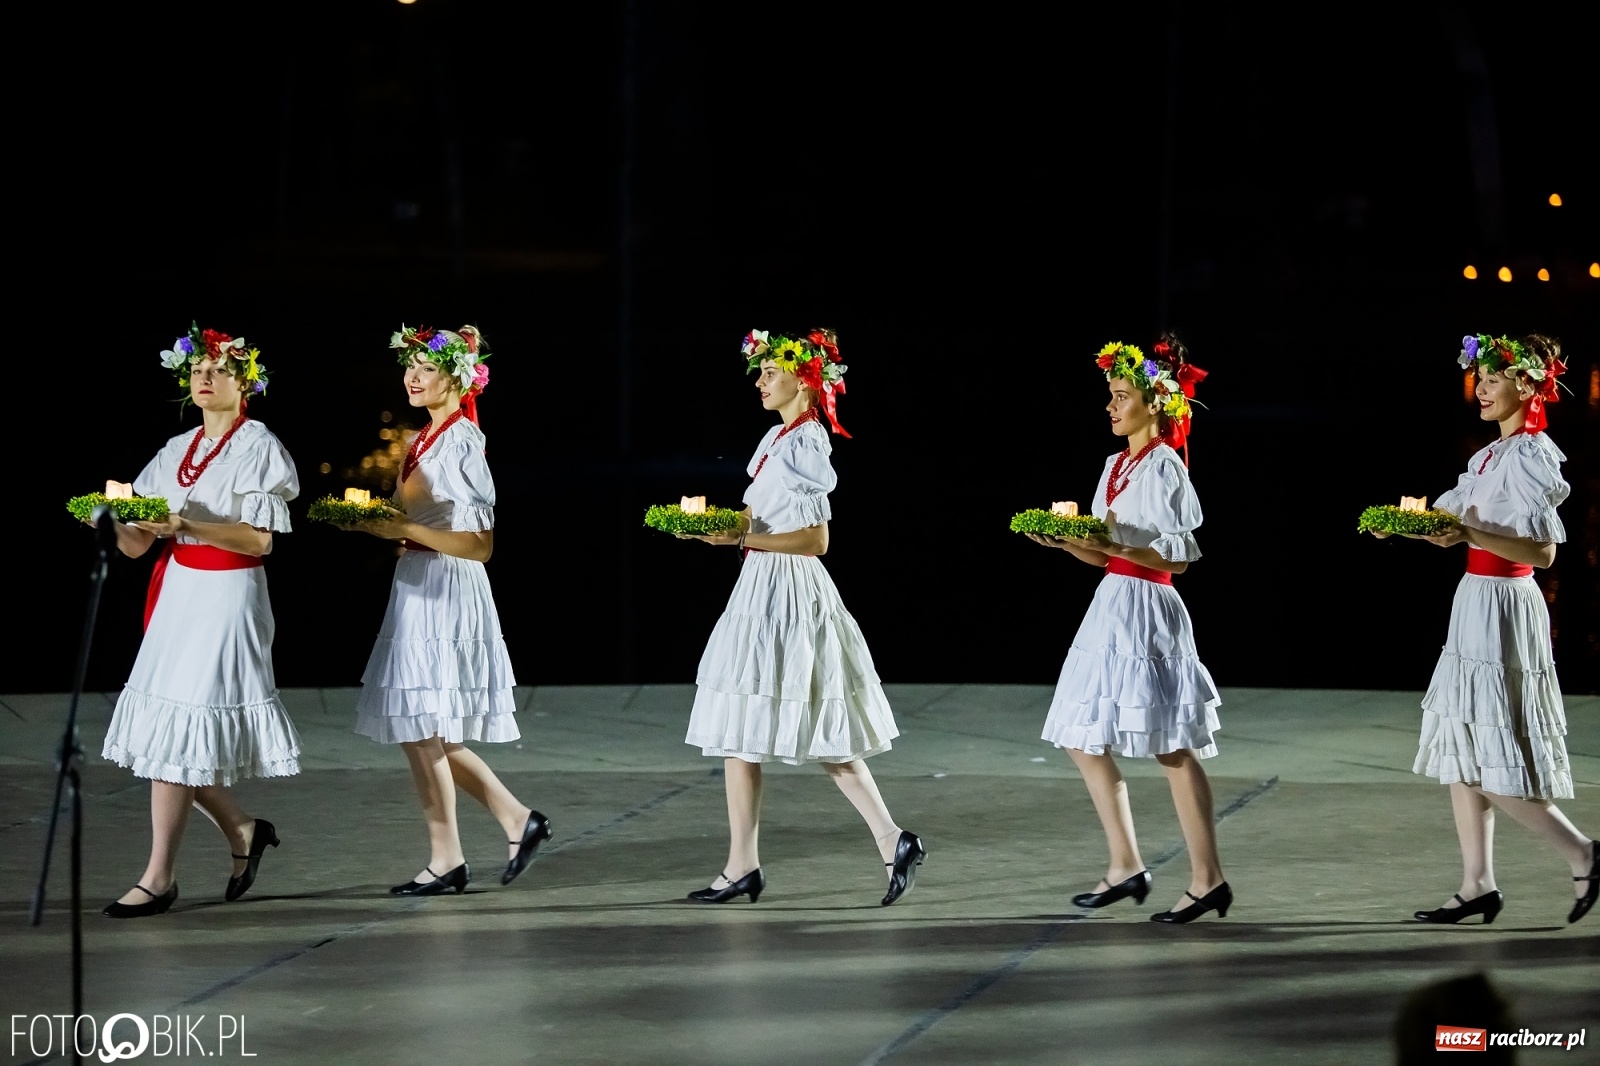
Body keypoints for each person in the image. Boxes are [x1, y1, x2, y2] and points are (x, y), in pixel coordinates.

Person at [678, 329, 924, 906]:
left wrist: (746, 533)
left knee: (814, 726)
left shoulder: (808, 441)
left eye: (769, 372)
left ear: (803, 379)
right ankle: (745, 864)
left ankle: (890, 838)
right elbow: (758, 513)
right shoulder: (775, 437)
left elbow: (816, 538)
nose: (760, 382)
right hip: (760, 582)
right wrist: (722, 527)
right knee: (741, 727)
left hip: (789, 592)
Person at [1026, 334, 1229, 923]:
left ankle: (1207, 878)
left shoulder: (1165, 464)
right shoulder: (1115, 465)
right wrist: (1067, 541)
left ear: (1156, 404)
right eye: (1110, 396)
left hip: (1149, 608)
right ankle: (1126, 864)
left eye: (1121, 396)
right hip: (1112, 601)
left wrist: (1110, 544)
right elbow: (1104, 552)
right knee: (1079, 733)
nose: (1111, 406)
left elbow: (1178, 559)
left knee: (1170, 745)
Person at [1395, 333, 1596, 926]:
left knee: (1488, 755)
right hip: (1475, 600)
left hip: (1506, 603)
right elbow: (1452, 520)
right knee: (1462, 748)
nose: (1480, 389)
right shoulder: (1491, 455)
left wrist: (1469, 537)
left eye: (1492, 379)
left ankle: (1585, 852)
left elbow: (1544, 551)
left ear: (1527, 386)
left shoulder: (1532, 453)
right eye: (1478, 379)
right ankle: (1476, 884)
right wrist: (1405, 525)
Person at [99, 325, 299, 918]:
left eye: (217, 370)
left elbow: (259, 540)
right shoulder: (175, 448)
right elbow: (138, 546)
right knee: (170, 732)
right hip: (180, 590)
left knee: (180, 730)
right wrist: (114, 516)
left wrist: (185, 524)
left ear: (246, 383)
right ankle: (242, 828)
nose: (205, 379)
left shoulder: (259, 446)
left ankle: (159, 877)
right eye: (197, 371)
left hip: (228, 592)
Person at [344, 325, 549, 896]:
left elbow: (480, 546)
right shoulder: (425, 438)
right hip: (417, 580)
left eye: (425, 368)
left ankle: (451, 856)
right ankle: (509, 823)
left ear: (456, 377)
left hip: (447, 587)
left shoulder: (460, 442)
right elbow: (415, 519)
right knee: (424, 727)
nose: (412, 376)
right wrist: (369, 519)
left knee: (422, 726)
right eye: (408, 366)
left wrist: (404, 527)